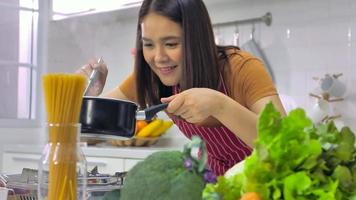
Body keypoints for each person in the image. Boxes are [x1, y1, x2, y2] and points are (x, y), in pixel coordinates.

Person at [77, 0, 286, 176]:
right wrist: (87, 101)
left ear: (196, 40)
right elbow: (86, 134)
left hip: (266, 184)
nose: (158, 58)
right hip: (219, 187)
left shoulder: (242, 68)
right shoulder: (153, 76)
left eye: (171, 44)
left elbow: (285, 143)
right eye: (148, 45)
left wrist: (219, 105)